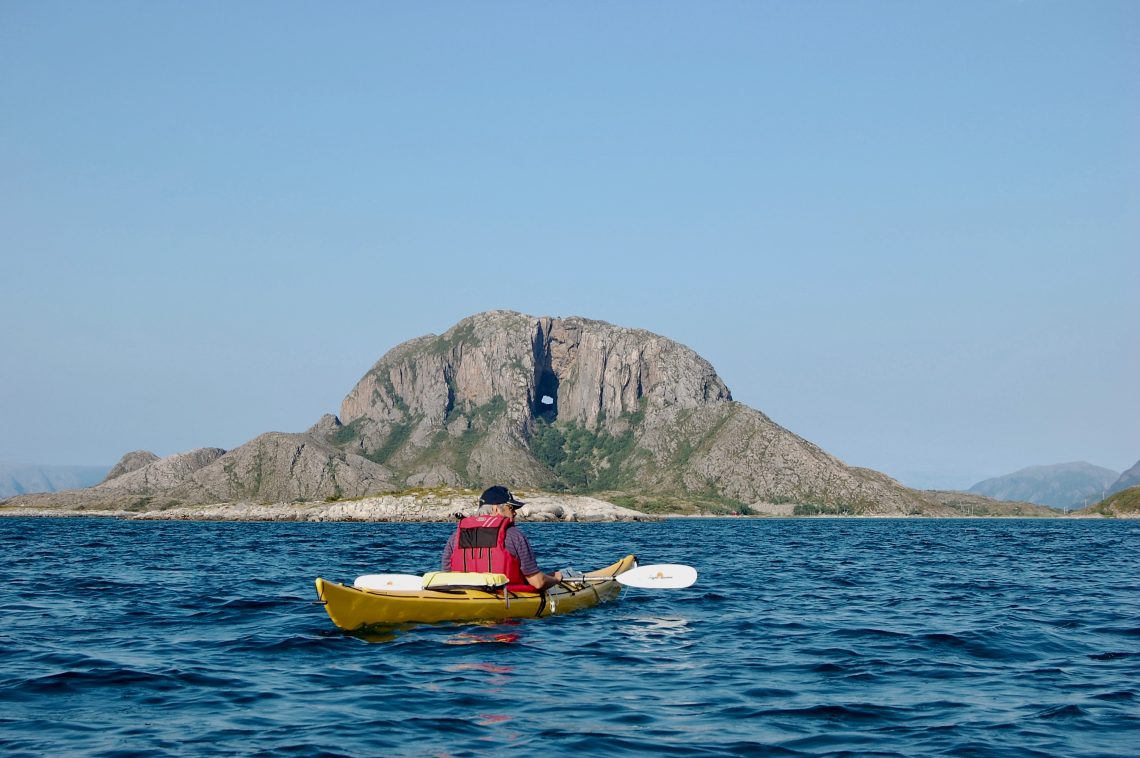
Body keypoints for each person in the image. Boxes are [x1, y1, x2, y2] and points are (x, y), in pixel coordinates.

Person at [441, 486, 563, 591]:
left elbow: (447, 576)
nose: (515, 513)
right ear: (495, 509)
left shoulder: (455, 537)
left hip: (464, 600)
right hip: (505, 602)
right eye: (511, 508)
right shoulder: (514, 535)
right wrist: (556, 578)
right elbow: (538, 582)